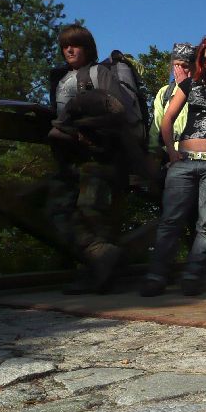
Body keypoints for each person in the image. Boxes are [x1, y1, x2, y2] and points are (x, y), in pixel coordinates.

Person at [140, 35, 206, 297]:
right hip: (184, 160)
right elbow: (167, 118)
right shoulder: (191, 84)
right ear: (201, 60)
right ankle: (157, 275)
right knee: (170, 220)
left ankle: (193, 275)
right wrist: (171, 151)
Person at [47, 24, 133, 294]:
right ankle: (102, 257)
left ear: (87, 48)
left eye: (75, 45)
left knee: (92, 214)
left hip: (98, 157)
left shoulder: (99, 73)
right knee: (57, 211)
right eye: (65, 46)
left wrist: (85, 130)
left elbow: (118, 112)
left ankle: (97, 276)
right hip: (68, 159)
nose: (69, 50)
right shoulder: (61, 78)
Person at [149, 43, 196, 153]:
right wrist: (152, 152)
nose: (179, 70)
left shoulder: (203, 89)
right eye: (176, 65)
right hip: (169, 153)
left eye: (184, 66)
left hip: (193, 151)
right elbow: (156, 125)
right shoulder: (165, 92)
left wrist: (186, 86)